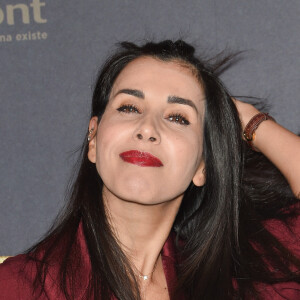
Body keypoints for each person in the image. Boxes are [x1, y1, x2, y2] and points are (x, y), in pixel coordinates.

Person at [0, 40, 299, 300]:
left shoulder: (236, 281)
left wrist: (249, 121)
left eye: (178, 117)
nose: (147, 128)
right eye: (129, 108)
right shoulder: (17, 286)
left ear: (202, 165)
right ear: (93, 138)